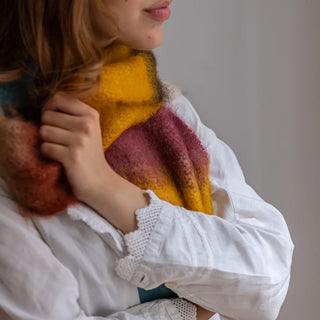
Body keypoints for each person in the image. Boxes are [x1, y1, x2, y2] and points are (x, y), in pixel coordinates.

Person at [0, 1, 294, 320]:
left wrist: (109, 191)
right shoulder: (10, 148)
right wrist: (187, 312)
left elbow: (267, 280)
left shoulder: (163, 108)